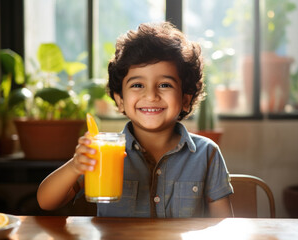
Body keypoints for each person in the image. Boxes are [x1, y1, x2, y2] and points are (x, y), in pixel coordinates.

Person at [37, 22, 233, 218]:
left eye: (165, 84)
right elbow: (46, 202)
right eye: (138, 85)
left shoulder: (207, 154)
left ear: (185, 99)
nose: (151, 95)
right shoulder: (102, 152)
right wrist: (75, 166)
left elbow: (224, 226)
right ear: (120, 100)